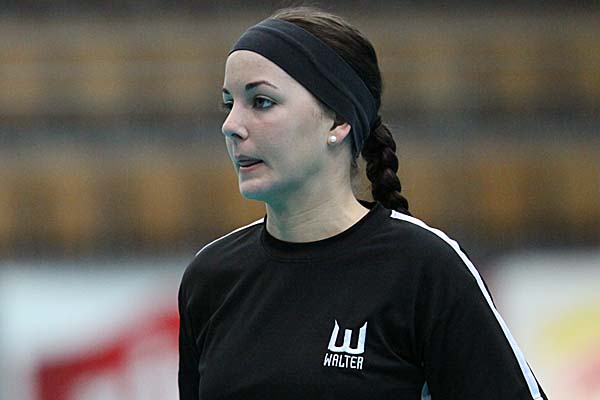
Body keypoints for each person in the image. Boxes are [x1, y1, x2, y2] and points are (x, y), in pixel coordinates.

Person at [178, 6, 547, 400]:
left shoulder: (425, 268)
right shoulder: (211, 278)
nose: (231, 125)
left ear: (338, 121)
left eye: (261, 101)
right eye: (229, 103)